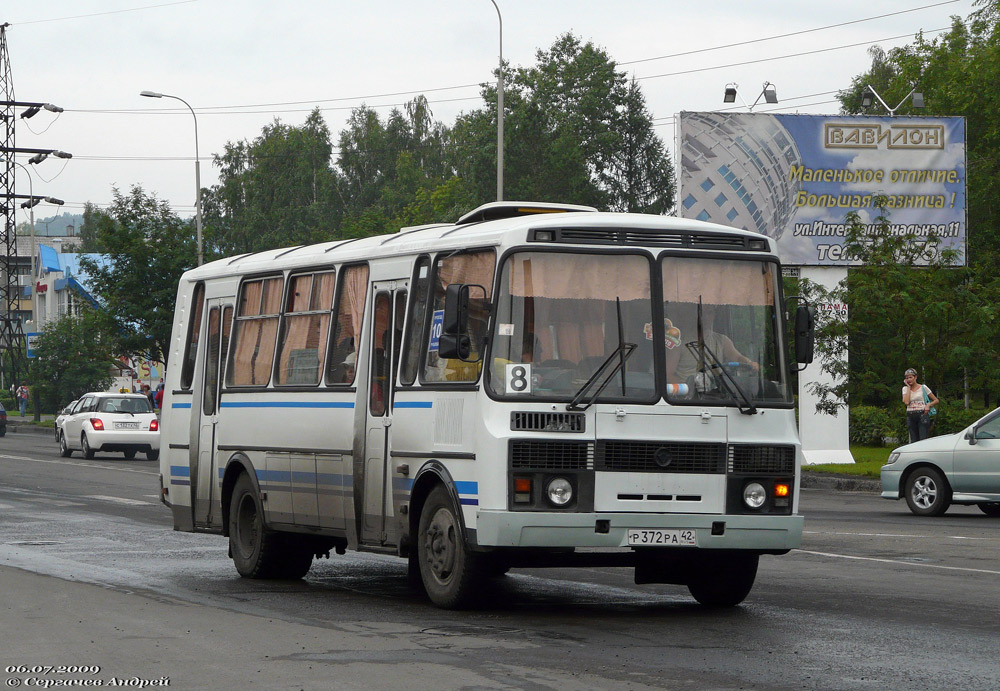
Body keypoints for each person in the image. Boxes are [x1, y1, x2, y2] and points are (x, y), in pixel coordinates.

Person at [669, 304, 758, 385]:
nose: (706, 317)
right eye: (702, 313)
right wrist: (687, 388)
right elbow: (668, 374)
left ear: (714, 315)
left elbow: (738, 358)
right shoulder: (679, 341)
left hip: (716, 395)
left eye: (710, 313)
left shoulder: (722, 341)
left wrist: (749, 363)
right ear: (695, 315)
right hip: (687, 398)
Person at [902, 368, 938, 443]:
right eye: (907, 378)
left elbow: (936, 400)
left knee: (923, 439)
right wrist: (909, 388)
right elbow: (906, 402)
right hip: (911, 415)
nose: (909, 380)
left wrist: (928, 405)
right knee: (913, 440)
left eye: (910, 377)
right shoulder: (905, 389)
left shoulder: (923, 387)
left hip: (922, 414)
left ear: (915, 377)